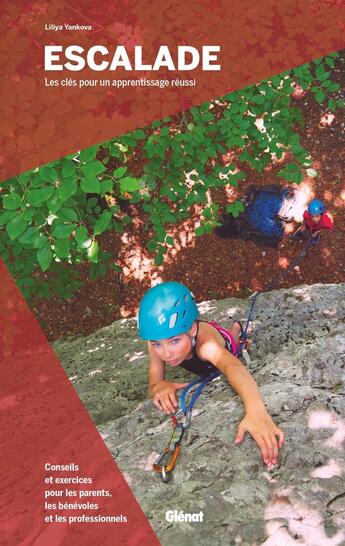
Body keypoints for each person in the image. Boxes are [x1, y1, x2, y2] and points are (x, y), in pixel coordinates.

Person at [138, 281, 285, 468]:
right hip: (204, 358)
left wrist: (255, 409)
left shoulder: (206, 346)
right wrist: (159, 386)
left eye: (174, 341)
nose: (165, 354)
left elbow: (233, 367)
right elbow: (154, 384)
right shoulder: (156, 341)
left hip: (224, 345)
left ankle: (236, 328)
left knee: (233, 341)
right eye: (157, 344)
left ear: (191, 329)